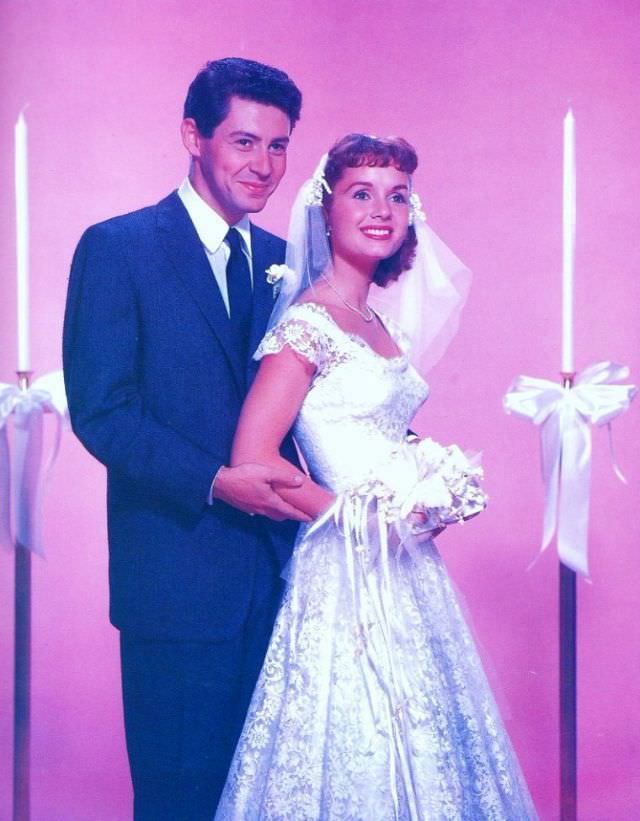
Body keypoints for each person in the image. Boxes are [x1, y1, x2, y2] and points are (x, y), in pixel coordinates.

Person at [214, 134, 538, 819]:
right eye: (362, 193)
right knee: (356, 728)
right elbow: (255, 454)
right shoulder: (308, 323)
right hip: (347, 564)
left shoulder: (378, 321)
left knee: (425, 736)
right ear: (326, 210)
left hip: (406, 564)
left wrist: (432, 481)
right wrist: (353, 512)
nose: (381, 210)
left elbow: (383, 433)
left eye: (398, 196)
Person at [62, 58, 307, 819]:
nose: (263, 165)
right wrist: (213, 479)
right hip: (175, 585)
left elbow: (318, 402)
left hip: (282, 583)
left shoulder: (285, 264)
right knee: (179, 802)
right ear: (191, 136)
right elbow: (104, 410)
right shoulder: (118, 247)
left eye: (278, 146)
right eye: (243, 142)